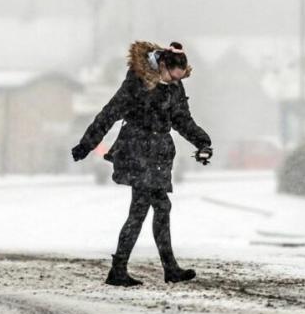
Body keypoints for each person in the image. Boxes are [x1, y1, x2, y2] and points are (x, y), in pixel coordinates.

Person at [72, 41, 212, 286]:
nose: (174, 82)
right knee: (147, 208)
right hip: (136, 149)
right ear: (163, 65)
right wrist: (87, 144)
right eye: (172, 77)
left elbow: (182, 120)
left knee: (155, 208)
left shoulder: (174, 86)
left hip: (159, 153)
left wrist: (202, 141)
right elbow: (110, 113)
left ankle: (153, 269)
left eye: (179, 79)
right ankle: (139, 270)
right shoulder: (137, 82)